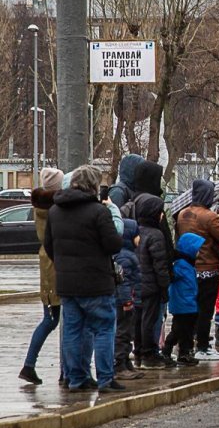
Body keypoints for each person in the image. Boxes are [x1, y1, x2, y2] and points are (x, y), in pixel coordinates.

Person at [44, 166, 125, 392]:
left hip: (67, 284)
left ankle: (76, 379)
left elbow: (49, 246)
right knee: (103, 329)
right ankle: (106, 378)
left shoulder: (54, 211)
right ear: (93, 186)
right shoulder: (98, 211)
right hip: (97, 282)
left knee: (72, 330)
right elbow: (113, 244)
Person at [176, 178, 219, 360]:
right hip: (209, 267)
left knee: (191, 308)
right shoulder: (210, 216)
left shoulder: (182, 214)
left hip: (189, 266)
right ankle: (203, 345)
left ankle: (187, 344)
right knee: (206, 309)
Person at [19, 168, 65, 385]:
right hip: (54, 265)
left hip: (47, 263)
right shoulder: (56, 208)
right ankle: (30, 365)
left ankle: (31, 365)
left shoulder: (40, 206)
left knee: (53, 319)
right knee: (54, 319)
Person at [135, 194, 173, 369]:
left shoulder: (137, 231)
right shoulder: (156, 234)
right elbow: (160, 264)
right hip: (152, 285)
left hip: (138, 284)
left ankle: (139, 351)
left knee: (139, 319)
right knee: (150, 320)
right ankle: (149, 354)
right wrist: (164, 286)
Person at [163, 232, 204, 366]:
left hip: (189, 304)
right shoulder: (181, 265)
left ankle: (184, 353)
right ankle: (168, 350)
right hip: (183, 305)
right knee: (179, 330)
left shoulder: (187, 264)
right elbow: (172, 277)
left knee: (187, 331)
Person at [113, 218, 144, 380]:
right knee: (122, 332)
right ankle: (119, 363)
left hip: (129, 299)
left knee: (127, 332)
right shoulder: (124, 256)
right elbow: (123, 282)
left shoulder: (128, 254)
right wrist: (127, 301)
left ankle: (125, 361)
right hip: (124, 302)